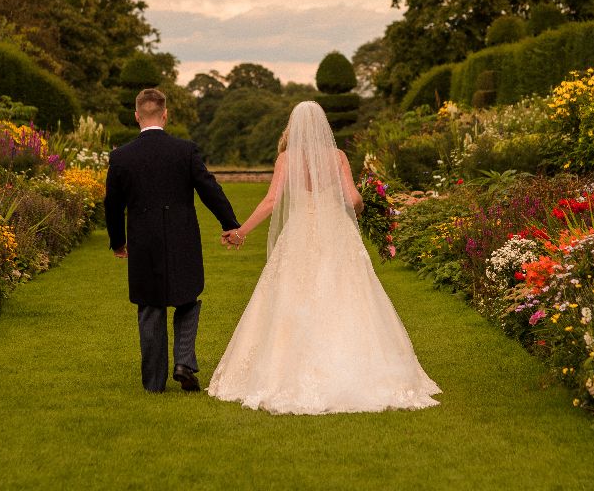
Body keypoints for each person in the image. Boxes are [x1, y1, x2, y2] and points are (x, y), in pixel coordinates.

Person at [207, 100, 441, 414]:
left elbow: (272, 201)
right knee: (348, 296)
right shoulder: (338, 157)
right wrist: (362, 205)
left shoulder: (286, 159)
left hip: (300, 235)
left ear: (294, 126)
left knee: (293, 296)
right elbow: (353, 199)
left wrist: (242, 230)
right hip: (336, 233)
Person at [105, 88, 241, 393]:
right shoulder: (185, 150)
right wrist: (230, 223)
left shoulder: (121, 157)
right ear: (165, 114)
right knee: (188, 298)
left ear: (137, 116)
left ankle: (154, 383)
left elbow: (112, 205)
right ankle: (183, 362)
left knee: (150, 306)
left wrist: (118, 241)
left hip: (143, 242)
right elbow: (209, 189)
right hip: (182, 238)